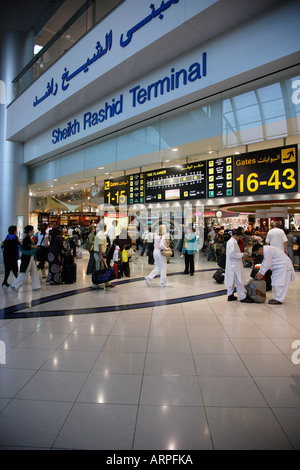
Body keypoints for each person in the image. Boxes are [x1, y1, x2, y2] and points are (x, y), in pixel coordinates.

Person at [9, 225, 42, 293]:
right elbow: (25, 247)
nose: (33, 231)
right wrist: (33, 246)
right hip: (28, 257)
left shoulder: (29, 238)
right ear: (30, 231)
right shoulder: (27, 238)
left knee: (34, 271)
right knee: (24, 272)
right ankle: (14, 286)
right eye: (32, 230)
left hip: (30, 256)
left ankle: (36, 286)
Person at [225, 227, 253, 302]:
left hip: (233, 264)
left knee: (232, 280)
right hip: (235, 264)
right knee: (239, 280)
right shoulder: (233, 242)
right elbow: (232, 254)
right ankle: (242, 296)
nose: (240, 238)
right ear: (235, 235)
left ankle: (230, 295)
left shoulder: (231, 241)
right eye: (239, 237)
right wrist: (242, 254)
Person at [92, 222, 114, 288]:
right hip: (99, 254)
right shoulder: (100, 235)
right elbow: (100, 245)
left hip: (100, 253)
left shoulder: (101, 234)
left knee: (104, 267)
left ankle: (107, 282)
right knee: (99, 269)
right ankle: (95, 284)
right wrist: (101, 256)